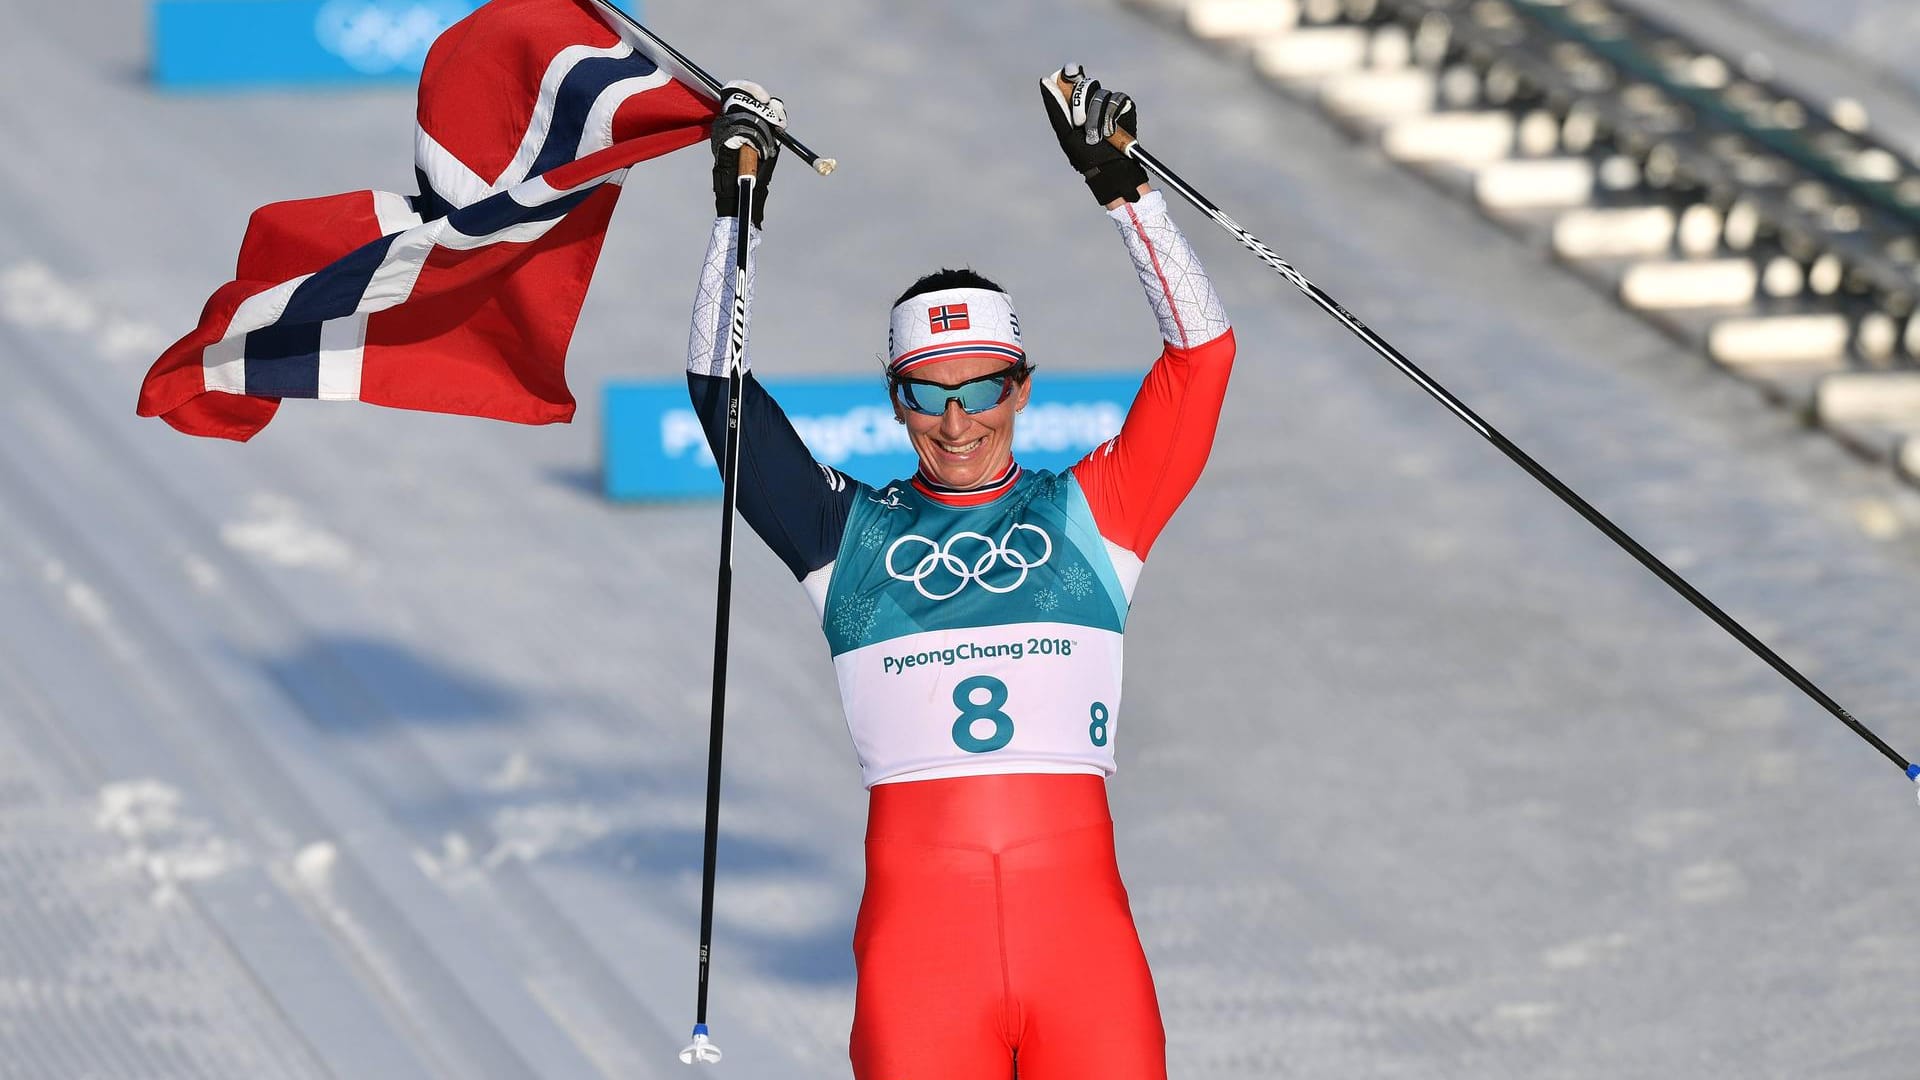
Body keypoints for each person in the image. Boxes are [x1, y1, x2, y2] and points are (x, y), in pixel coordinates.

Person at [685, 65, 1235, 1079]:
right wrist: (739, 211)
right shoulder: (840, 534)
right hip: (921, 960)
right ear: (894, 401)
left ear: (1021, 387)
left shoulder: (1093, 515)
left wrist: (1128, 192)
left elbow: (1201, 358)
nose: (957, 419)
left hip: (1085, 958)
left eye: (981, 386)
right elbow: (721, 388)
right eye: (926, 393)